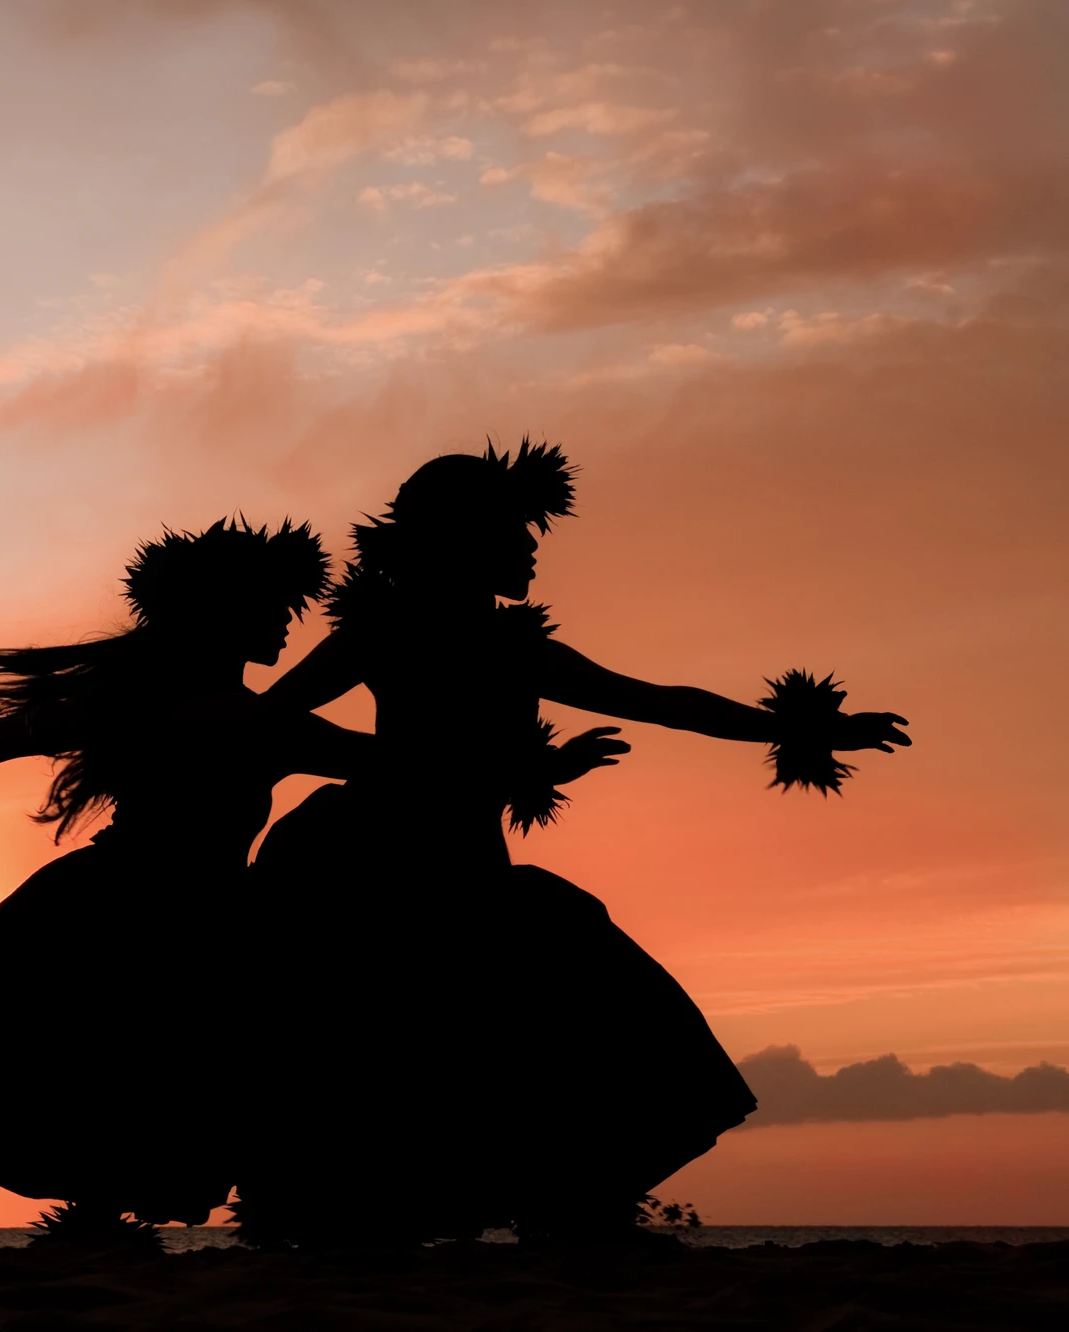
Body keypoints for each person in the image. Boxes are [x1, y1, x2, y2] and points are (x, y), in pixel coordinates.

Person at [238, 440, 911, 1244]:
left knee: (516, 1045)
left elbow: (660, 701)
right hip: (382, 872)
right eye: (515, 534)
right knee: (417, 1047)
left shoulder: (514, 648)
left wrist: (802, 726)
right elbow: (265, 721)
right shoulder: (383, 634)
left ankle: (558, 1209)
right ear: (464, 540)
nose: (529, 550)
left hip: (471, 870)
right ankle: (433, 1214)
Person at [0, 517, 375, 1227]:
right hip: (151, 910)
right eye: (274, 608)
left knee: (104, 1064)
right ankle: (109, 1204)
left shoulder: (175, 712)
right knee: (118, 1064)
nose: (287, 624)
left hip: (129, 907)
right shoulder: (250, 721)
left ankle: (102, 1208)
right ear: (225, 612)